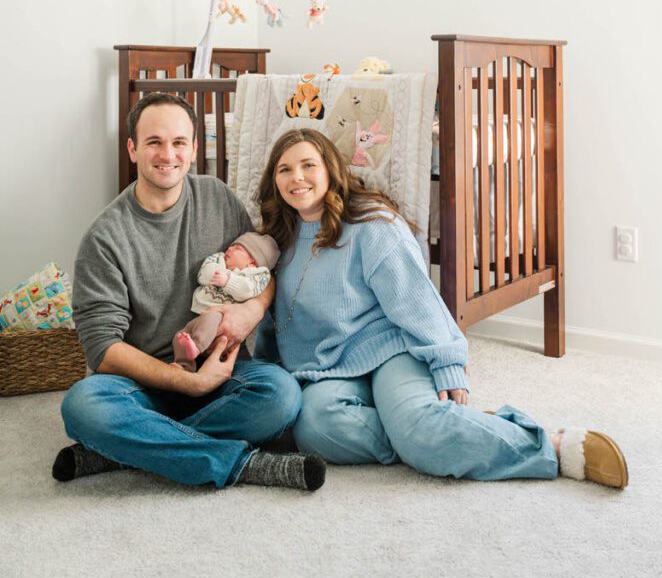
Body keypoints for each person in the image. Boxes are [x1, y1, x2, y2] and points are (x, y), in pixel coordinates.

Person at [254, 128, 629, 489]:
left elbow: (417, 301)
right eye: (284, 169)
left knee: (418, 429)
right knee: (316, 429)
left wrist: (449, 363)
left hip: (391, 349)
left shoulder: (371, 226)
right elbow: (275, 319)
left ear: (330, 170)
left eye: (308, 165)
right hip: (329, 370)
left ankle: (553, 445)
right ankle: (440, 430)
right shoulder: (276, 241)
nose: (296, 178)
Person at [52, 94, 324, 492]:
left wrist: (254, 308)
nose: (168, 154)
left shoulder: (217, 198)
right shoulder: (105, 237)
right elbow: (102, 350)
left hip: (221, 372)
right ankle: (239, 463)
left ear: (195, 148)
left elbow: (263, 272)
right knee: (82, 407)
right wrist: (187, 383)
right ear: (132, 149)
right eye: (154, 142)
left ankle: (124, 450)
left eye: (179, 142)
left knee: (282, 395)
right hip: (141, 387)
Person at [173, 231, 280, 372]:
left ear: (252, 262)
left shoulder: (254, 275)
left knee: (209, 322)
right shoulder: (219, 259)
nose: (229, 249)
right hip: (200, 315)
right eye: (231, 245)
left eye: (238, 248)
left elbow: (247, 290)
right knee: (180, 335)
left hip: (220, 317)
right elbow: (204, 275)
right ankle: (184, 365)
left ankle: (197, 346)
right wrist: (222, 270)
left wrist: (227, 280)